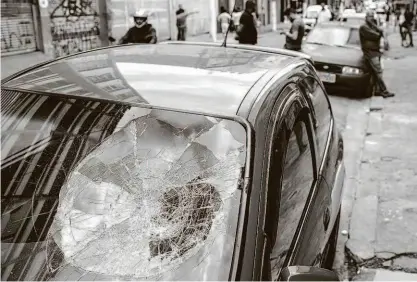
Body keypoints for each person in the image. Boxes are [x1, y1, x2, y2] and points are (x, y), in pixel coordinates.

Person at [359, 10, 395, 98]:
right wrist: (380, 32)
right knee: (378, 71)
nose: (371, 18)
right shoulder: (364, 27)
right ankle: (384, 91)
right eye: (369, 17)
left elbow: (381, 31)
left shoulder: (371, 26)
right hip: (370, 53)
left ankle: (377, 90)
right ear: (366, 18)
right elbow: (376, 35)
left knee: (375, 73)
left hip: (375, 52)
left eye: (372, 17)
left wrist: (377, 27)